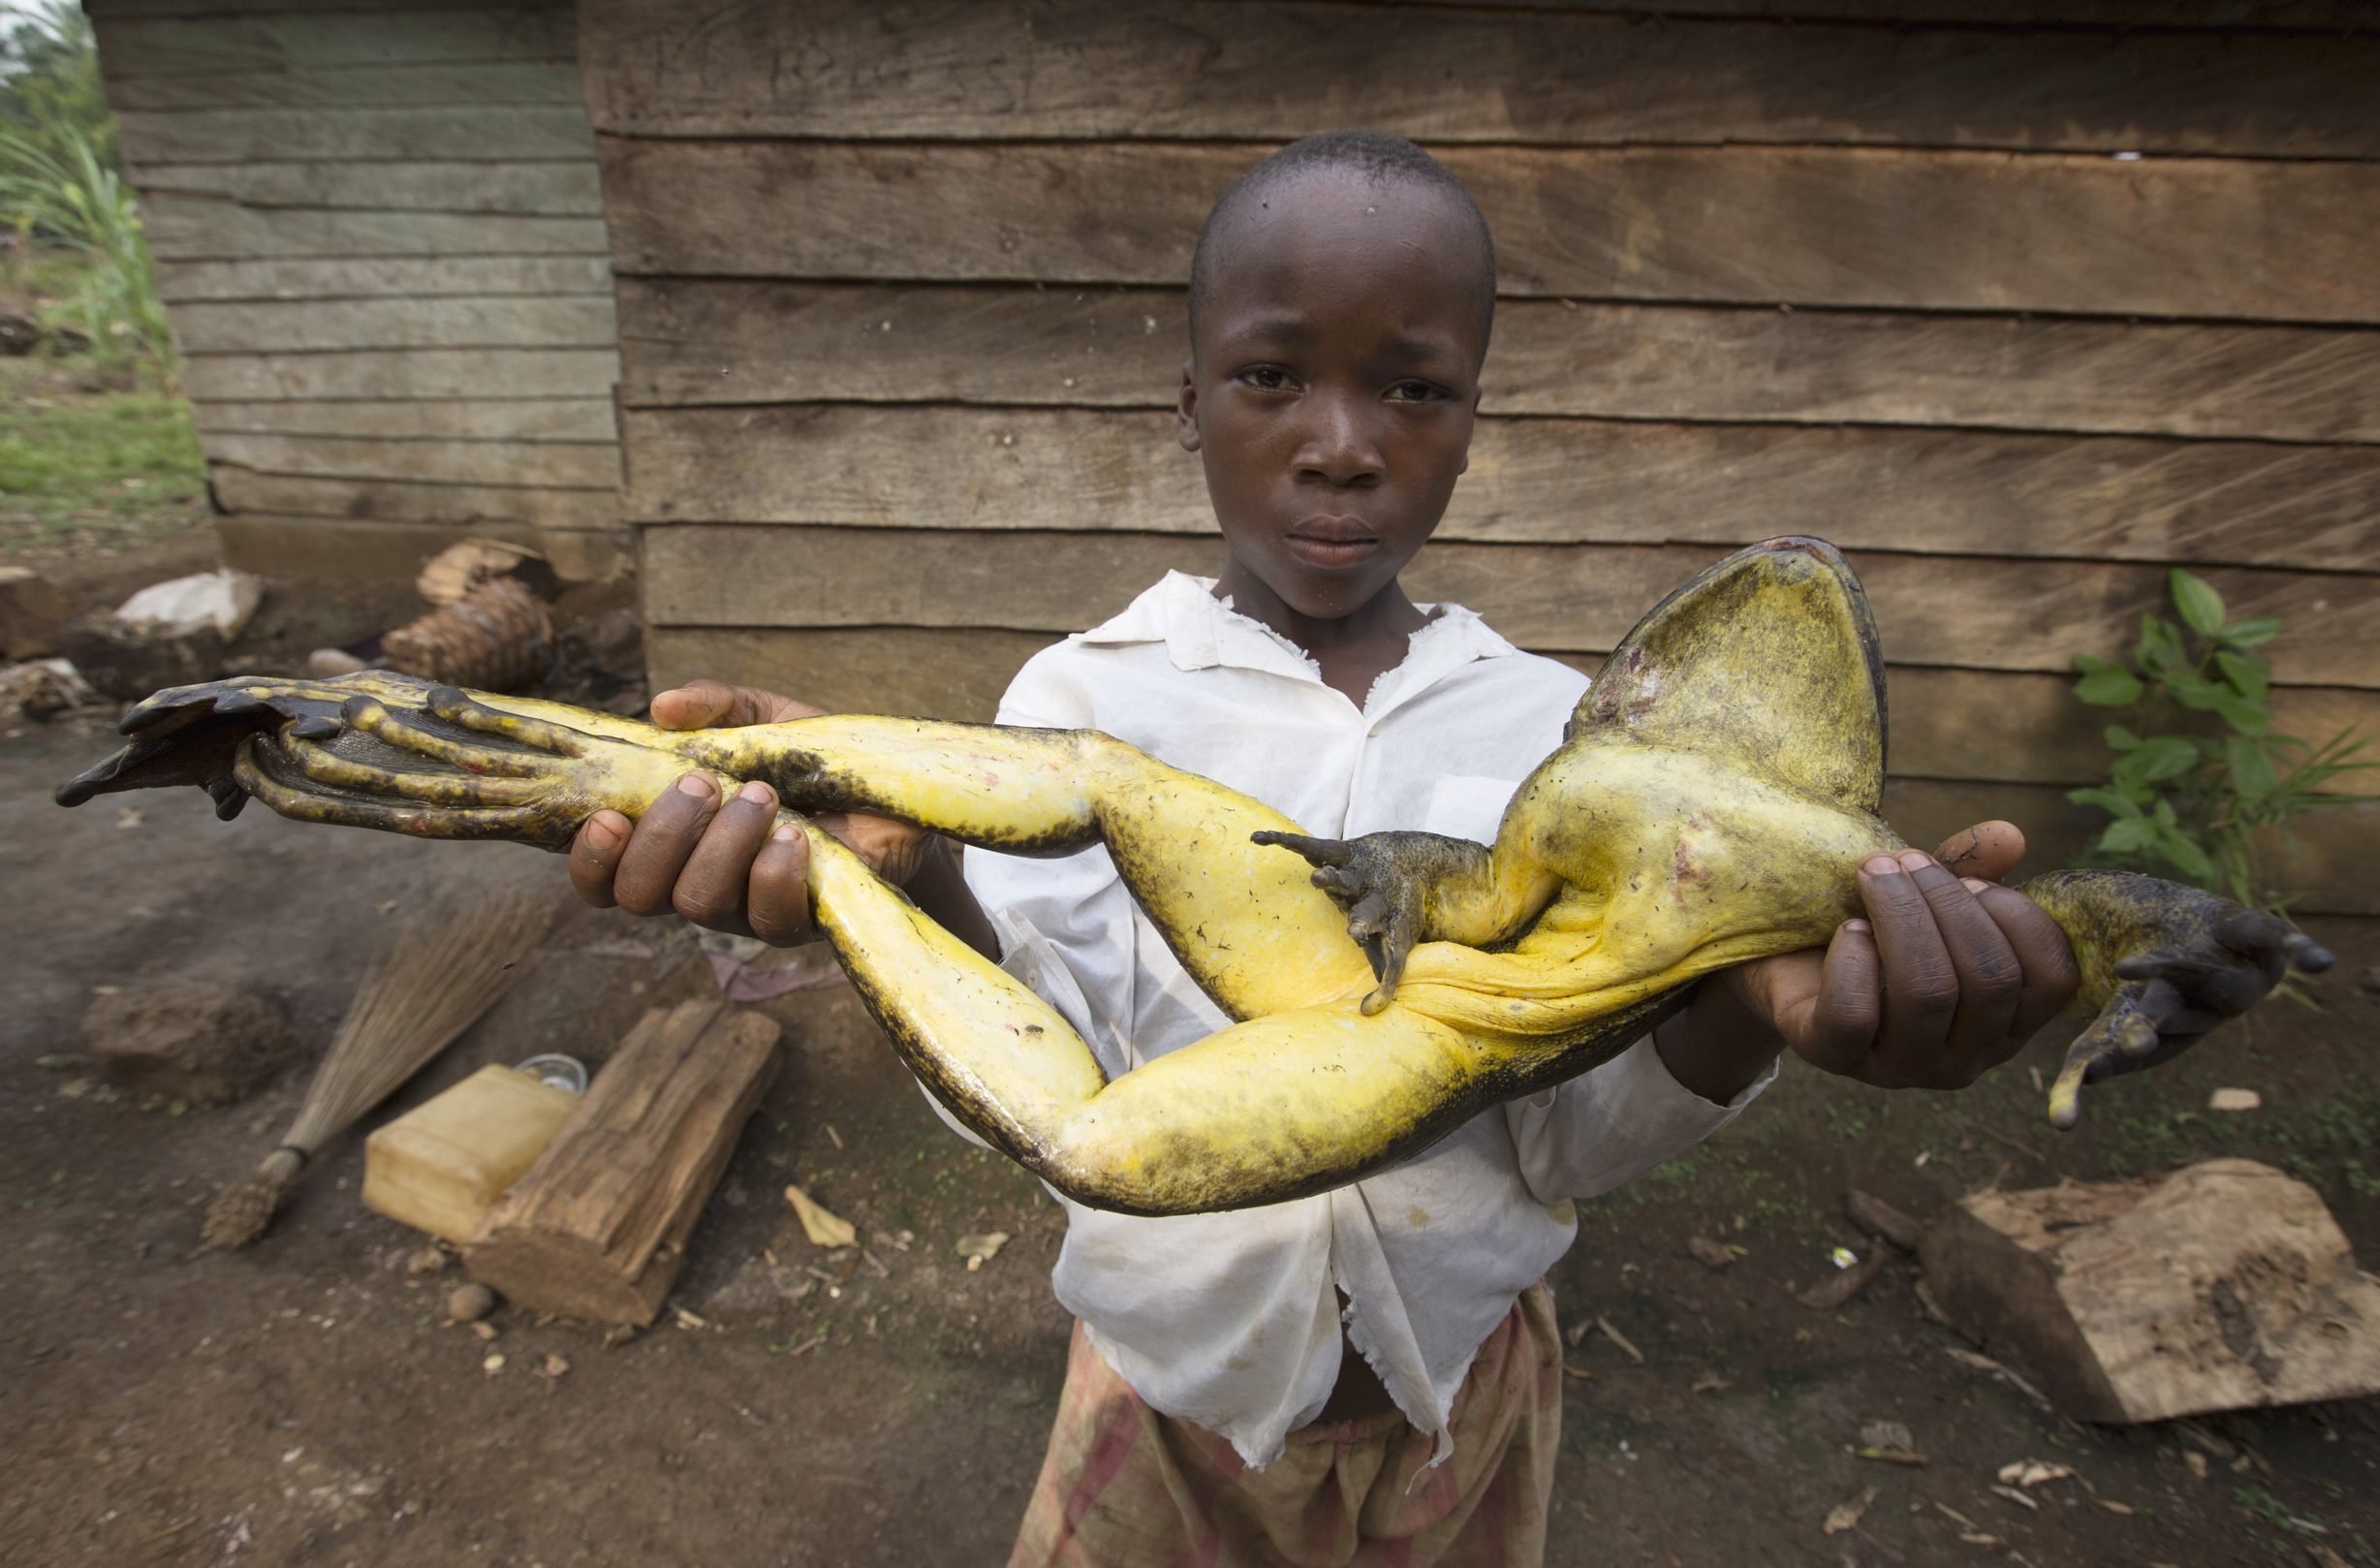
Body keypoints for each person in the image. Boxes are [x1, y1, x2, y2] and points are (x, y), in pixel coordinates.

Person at [569, 132, 2081, 1566]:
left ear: (1473, 421)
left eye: (1412, 390)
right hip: (1171, 1397)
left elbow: (1563, 1131)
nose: (1342, 447)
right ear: (1188, 400)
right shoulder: (1079, 710)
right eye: (1274, 375)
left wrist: (1735, 1000)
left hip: (1461, 1400)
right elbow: (1050, 1088)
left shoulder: (1572, 752)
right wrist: (905, 880)